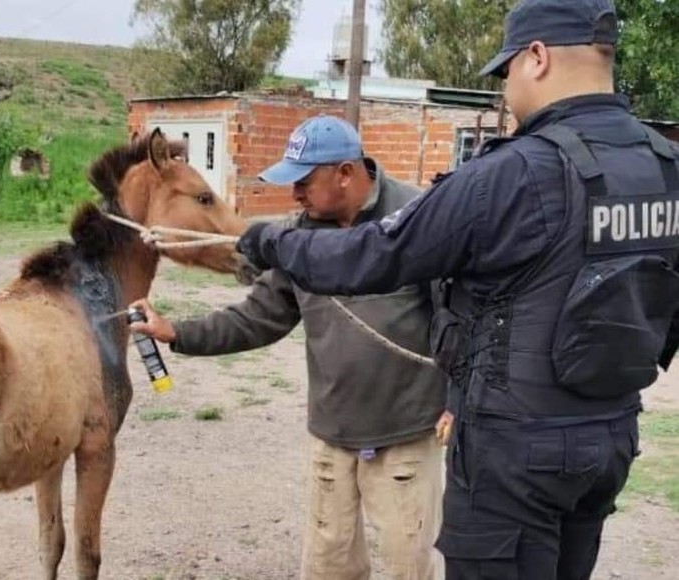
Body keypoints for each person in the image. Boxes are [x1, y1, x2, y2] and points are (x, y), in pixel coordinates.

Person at [233, 1, 679, 578]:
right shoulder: (665, 166)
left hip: (516, 455)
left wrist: (269, 242)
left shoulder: (511, 174)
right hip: (609, 440)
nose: (506, 89)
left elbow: (375, 256)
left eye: (506, 72)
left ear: (537, 58)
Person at [131, 115, 447, 579]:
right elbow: (259, 318)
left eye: (303, 182)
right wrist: (178, 333)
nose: (294, 195)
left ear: (345, 173)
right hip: (332, 435)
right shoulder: (298, 238)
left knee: (410, 568)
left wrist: (459, 398)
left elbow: (458, 315)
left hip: (406, 437)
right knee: (327, 569)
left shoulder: (419, 218)